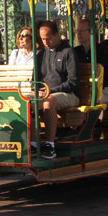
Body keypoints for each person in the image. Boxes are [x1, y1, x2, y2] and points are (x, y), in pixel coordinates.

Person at [34, 20, 81, 160]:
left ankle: (50, 145)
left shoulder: (68, 52)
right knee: (25, 102)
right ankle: (32, 144)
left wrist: (50, 90)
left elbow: (72, 81)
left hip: (68, 94)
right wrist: (36, 90)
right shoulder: (41, 55)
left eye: (48, 38)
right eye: (43, 39)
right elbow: (34, 80)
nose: (46, 42)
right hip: (46, 93)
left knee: (49, 102)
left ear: (57, 35)